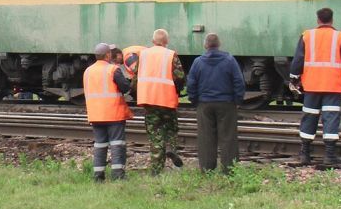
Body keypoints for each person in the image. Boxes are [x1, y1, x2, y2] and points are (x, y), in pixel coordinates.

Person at [290, 7, 341, 167]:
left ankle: (305, 155)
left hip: (312, 85)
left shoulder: (307, 36)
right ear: (332, 20)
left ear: (318, 20)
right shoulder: (340, 37)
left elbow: (298, 60)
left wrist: (294, 79)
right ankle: (329, 156)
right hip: (332, 86)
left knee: (309, 117)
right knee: (331, 119)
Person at [187, 33, 246, 173]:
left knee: (206, 137)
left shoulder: (198, 62)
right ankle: (229, 169)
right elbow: (239, 82)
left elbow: (191, 84)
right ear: (219, 44)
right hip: (226, 103)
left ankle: (207, 169)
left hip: (204, 104)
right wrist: (238, 100)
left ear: (205, 45)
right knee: (228, 138)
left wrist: (194, 100)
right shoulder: (229, 60)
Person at [136, 29, 186, 174]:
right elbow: (179, 76)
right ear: (167, 42)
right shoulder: (171, 55)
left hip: (148, 100)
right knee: (171, 127)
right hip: (167, 99)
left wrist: (136, 92)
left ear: (153, 41)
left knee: (155, 134)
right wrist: (178, 90)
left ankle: (156, 171)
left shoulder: (143, 54)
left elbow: (135, 77)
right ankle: (171, 147)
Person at [83, 42, 133, 181]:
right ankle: (118, 175)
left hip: (95, 115)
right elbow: (125, 88)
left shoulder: (88, 71)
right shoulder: (113, 69)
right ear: (107, 55)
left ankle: (98, 176)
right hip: (113, 113)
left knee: (100, 144)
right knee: (117, 144)